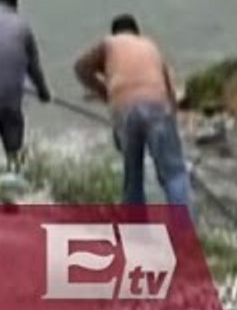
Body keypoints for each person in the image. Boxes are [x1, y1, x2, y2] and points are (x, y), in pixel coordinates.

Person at [74, 14, 192, 212]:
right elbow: (170, 92)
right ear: (137, 32)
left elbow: (80, 68)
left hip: (124, 109)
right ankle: (184, 231)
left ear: (115, 33)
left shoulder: (109, 43)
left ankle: (135, 229)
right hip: (157, 105)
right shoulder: (150, 46)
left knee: (133, 175)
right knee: (174, 174)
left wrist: (104, 91)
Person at [0, 0, 52, 173]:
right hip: (9, 102)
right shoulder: (23, 27)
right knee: (13, 139)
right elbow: (34, 68)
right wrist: (43, 93)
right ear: (16, 1)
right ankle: (14, 176)